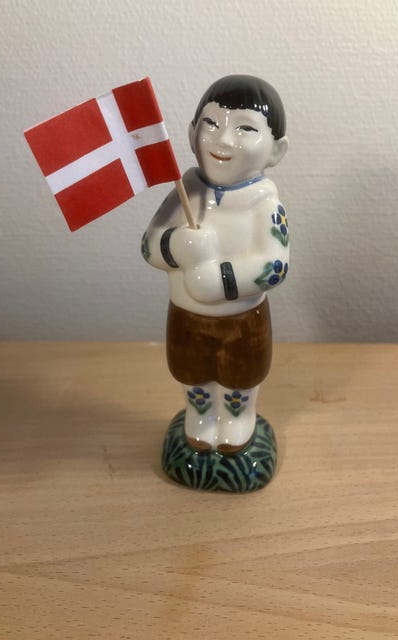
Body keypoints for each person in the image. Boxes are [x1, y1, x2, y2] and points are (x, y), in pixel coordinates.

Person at [142, 74, 289, 455]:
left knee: (240, 374)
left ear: (276, 151)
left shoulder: (264, 204)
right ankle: (201, 416)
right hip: (186, 314)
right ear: (192, 134)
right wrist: (175, 246)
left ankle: (237, 419)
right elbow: (148, 245)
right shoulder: (185, 192)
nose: (223, 139)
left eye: (245, 128)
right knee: (191, 370)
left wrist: (219, 280)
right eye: (211, 123)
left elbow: (275, 264)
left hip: (242, 320)